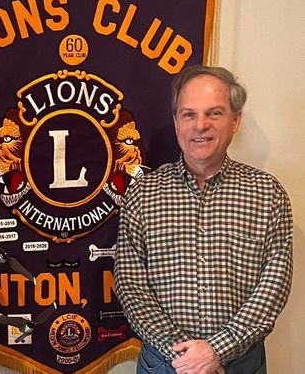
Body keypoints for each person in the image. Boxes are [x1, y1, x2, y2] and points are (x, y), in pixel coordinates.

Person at [114, 65, 293, 374]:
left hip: (241, 364)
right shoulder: (143, 193)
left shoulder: (267, 193)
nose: (200, 125)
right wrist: (187, 357)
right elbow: (130, 284)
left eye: (214, 113)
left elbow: (274, 284)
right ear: (175, 122)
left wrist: (216, 351)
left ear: (235, 120)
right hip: (165, 364)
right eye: (188, 114)